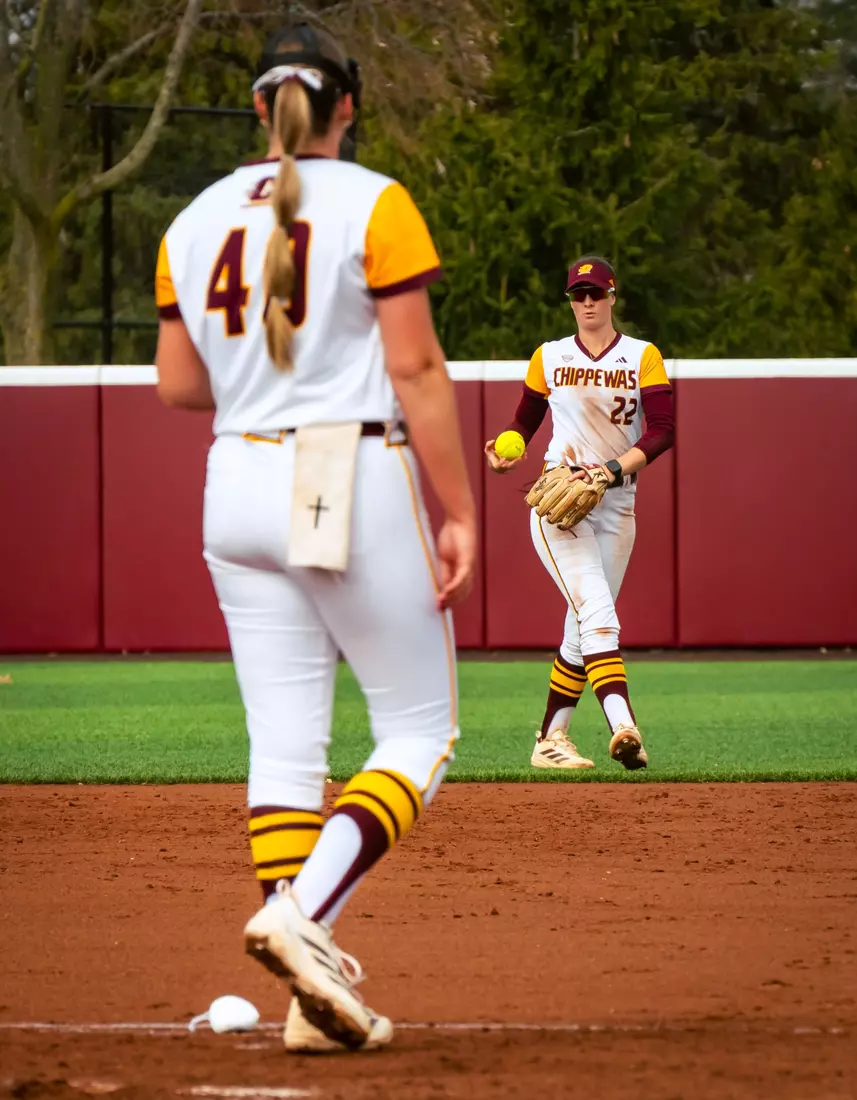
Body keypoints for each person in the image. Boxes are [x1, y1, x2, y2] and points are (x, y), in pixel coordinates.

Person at [153, 23, 476, 1054]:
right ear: (349, 106)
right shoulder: (374, 201)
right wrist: (459, 507)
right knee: (420, 729)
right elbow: (418, 369)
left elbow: (176, 385)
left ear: (259, 108)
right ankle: (299, 920)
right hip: (340, 468)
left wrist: (261, 373)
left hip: (233, 477)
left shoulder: (193, 217)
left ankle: (308, 985)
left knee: (286, 743)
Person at [484, 257, 674, 771]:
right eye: (578, 294)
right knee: (599, 615)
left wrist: (611, 470)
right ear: (570, 301)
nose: (587, 302)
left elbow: (662, 431)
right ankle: (624, 726)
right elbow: (524, 422)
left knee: (581, 623)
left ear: (613, 296)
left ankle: (551, 739)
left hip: (617, 503)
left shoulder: (642, 356)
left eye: (595, 293)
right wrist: (509, 451)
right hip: (560, 502)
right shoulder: (549, 355)